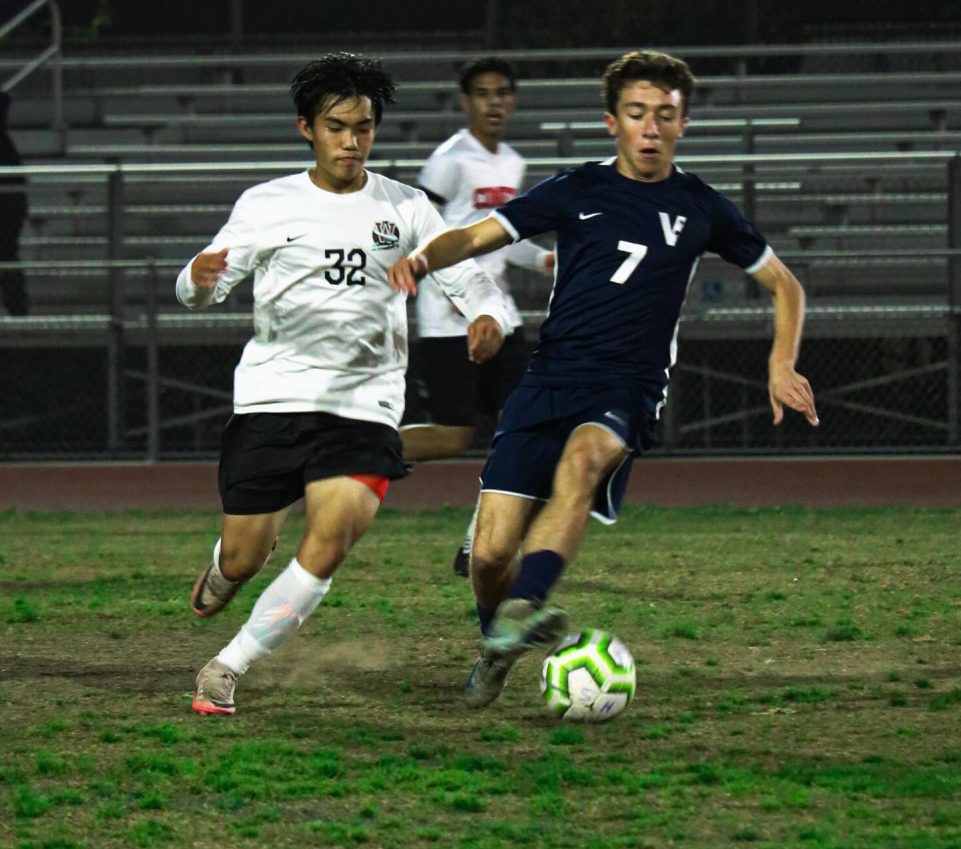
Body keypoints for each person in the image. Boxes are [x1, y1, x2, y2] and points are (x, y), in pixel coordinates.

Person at [388, 49, 819, 709]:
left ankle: (526, 603)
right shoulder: (575, 190)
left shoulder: (701, 206)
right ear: (610, 121)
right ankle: (496, 640)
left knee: (585, 460)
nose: (650, 128)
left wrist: (780, 362)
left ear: (682, 125)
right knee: (489, 555)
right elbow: (473, 237)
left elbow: (782, 284)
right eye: (637, 113)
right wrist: (420, 258)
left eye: (665, 115)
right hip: (549, 378)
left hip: (628, 384)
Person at [176, 53, 510, 716]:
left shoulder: (405, 206)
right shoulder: (266, 204)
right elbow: (201, 291)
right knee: (247, 554)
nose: (352, 140)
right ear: (307, 127)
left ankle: (226, 667)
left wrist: (486, 313)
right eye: (337, 127)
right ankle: (227, 569)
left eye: (363, 127)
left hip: (364, 406)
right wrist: (198, 278)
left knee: (331, 539)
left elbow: (462, 271)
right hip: (272, 398)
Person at [400, 56, 553, 577]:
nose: (494, 102)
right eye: (483, 93)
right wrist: (460, 303)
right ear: (466, 101)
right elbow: (423, 232)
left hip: (501, 316)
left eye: (503, 92)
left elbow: (504, 238)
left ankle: (476, 545)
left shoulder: (511, 161)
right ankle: (355, 447)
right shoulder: (449, 161)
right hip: (449, 320)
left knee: (525, 427)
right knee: (453, 435)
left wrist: (542, 258)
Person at [0, 91, 29, 316]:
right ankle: (17, 307)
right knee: (8, 256)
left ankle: (17, 307)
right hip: (11, 204)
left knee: (7, 255)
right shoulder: (6, 145)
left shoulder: (5, 145)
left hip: (8, 206)